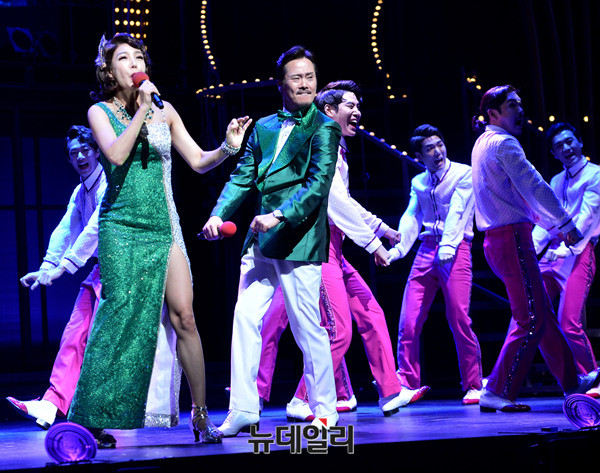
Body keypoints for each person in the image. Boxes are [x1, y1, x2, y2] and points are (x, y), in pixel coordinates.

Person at [67, 33, 251, 444]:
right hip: (121, 227)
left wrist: (227, 147)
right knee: (119, 316)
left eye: (138, 57)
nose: (134, 63)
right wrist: (142, 109)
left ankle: (200, 415)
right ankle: (90, 416)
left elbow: (198, 161)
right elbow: (116, 155)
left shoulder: (166, 112)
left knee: (185, 317)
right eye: (124, 58)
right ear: (109, 70)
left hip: (164, 226)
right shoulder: (99, 111)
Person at [256, 81, 430, 421]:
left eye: (358, 105)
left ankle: (390, 391)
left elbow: (345, 201)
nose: (358, 111)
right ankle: (302, 399)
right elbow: (334, 203)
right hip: (317, 249)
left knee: (371, 313)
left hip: (334, 249)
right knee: (339, 331)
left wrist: (382, 228)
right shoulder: (321, 145)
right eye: (351, 105)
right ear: (329, 110)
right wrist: (374, 244)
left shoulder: (335, 146)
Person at [202, 45, 340, 435]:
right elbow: (242, 177)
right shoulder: (263, 127)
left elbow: (317, 186)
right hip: (259, 238)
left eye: (310, 77)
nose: (305, 84)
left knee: (305, 325)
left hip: (297, 235)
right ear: (281, 84)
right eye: (297, 78)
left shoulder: (324, 127)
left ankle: (325, 408)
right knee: (245, 317)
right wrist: (218, 214)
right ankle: (244, 408)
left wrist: (278, 216)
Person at [470, 85, 599, 412]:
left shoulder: (483, 142)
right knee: (530, 319)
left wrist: (556, 226)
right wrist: (566, 224)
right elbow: (533, 185)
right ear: (494, 113)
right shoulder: (503, 143)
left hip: (502, 239)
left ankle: (572, 381)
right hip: (511, 238)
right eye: (513, 105)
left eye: (520, 104)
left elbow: (523, 195)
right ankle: (497, 389)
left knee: (542, 315)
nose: (520, 110)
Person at [7, 126, 106, 431]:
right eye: (74, 153)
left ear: (98, 151)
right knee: (74, 333)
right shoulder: (80, 191)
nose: (80, 156)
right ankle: (52, 403)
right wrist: (47, 266)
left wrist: (62, 268)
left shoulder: (109, 184)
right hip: (101, 270)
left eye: (85, 150)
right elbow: (66, 229)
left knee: (101, 343)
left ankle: (100, 412)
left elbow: (94, 230)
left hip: (125, 269)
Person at [387, 124, 484, 405]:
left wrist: (449, 246)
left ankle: (473, 384)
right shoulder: (419, 182)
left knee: (459, 318)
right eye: (430, 148)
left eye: (439, 144)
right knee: (408, 321)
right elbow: (411, 215)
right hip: (427, 249)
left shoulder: (463, 173)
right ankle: (407, 382)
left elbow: (458, 211)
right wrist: (398, 250)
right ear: (419, 156)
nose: (438, 151)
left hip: (456, 248)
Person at [532, 122, 600, 397]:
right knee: (532, 314)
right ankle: (569, 381)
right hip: (553, 254)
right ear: (554, 153)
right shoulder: (557, 181)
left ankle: (592, 377)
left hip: (579, 251)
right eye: (559, 145)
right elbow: (547, 220)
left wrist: (568, 250)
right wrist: (530, 249)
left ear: (580, 142)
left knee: (569, 322)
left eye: (570, 141)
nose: (567, 148)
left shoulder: (595, 175)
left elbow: (587, 218)